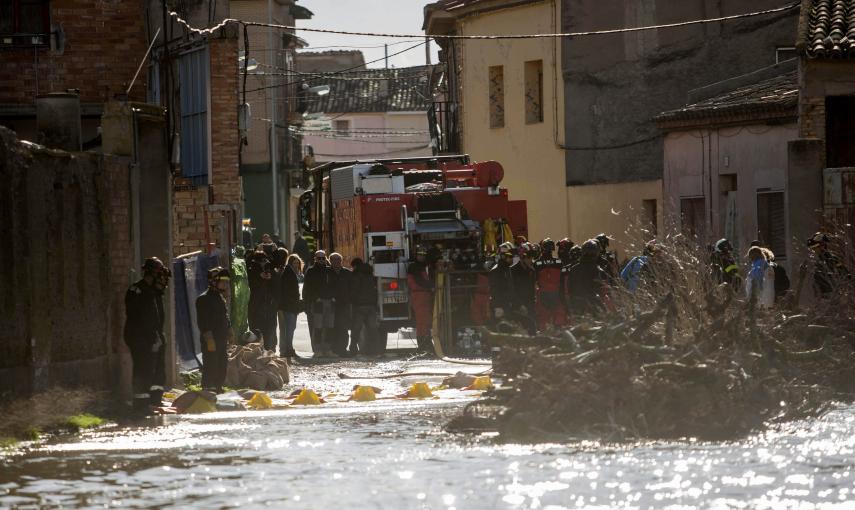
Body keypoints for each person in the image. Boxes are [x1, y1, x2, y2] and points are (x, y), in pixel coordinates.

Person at [124, 257, 171, 414]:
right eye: (159, 274)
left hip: (154, 336)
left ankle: (155, 401)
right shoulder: (137, 291)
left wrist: (158, 336)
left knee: (157, 369)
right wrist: (148, 338)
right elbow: (137, 317)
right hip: (139, 337)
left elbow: (157, 318)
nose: (162, 279)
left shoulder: (155, 292)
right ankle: (141, 404)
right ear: (151, 273)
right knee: (143, 368)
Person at [196, 267, 232, 393]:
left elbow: (224, 317)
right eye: (223, 281)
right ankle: (208, 389)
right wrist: (209, 339)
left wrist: (229, 330)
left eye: (227, 281)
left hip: (221, 340)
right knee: (211, 365)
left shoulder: (220, 298)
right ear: (213, 281)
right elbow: (203, 322)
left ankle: (218, 388)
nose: (226, 284)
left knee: (221, 366)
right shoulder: (204, 299)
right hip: (211, 340)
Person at [564, 239, 610, 317]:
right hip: (594, 307)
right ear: (596, 253)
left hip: (577, 306)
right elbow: (604, 291)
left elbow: (568, 289)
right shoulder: (599, 270)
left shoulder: (573, 269)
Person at [303, 250, 335, 357]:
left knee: (329, 326)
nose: (321, 260)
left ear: (325, 258)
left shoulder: (329, 270)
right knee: (318, 327)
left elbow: (334, 285)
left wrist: (334, 297)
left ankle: (328, 349)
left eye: (323, 258)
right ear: (315, 259)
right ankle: (317, 350)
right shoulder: (311, 271)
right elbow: (307, 287)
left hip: (330, 302)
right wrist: (315, 298)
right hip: (317, 303)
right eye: (319, 258)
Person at [350, 258, 381, 356]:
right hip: (371, 305)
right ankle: (376, 351)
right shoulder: (370, 274)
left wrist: (352, 301)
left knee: (356, 329)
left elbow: (354, 290)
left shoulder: (356, 275)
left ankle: (353, 350)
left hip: (360, 306)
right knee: (373, 329)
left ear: (355, 266)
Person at [247, 249, 278, 350]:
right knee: (257, 334)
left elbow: (276, 286)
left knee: (270, 333)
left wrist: (271, 277)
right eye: (262, 260)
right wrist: (259, 277)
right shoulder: (252, 271)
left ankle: (270, 353)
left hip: (269, 308)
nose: (265, 263)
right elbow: (252, 287)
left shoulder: (270, 271)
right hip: (256, 308)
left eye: (265, 260)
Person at [407, 246, 435, 353]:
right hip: (419, 296)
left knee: (426, 321)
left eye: (423, 255)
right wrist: (431, 286)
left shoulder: (422, 267)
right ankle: (423, 345)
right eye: (420, 255)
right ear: (416, 255)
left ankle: (425, 344)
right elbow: (419, 281)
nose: (421, 257)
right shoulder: (414, 267)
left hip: (424, 296)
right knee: (422, 322)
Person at [534, 238, 566, 330]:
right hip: (556, 293)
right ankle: (559, 333)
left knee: (543, 317)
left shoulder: (537, 263)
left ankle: (545, 335)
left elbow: (535, 280)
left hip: (543, 294)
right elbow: (563, 279)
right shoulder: (559, 262)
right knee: (557, 315)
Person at [806, 232, 850, 297]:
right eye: (813, 249)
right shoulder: (817, 261)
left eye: (816, 247)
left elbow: (846, 275)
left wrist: (839, 288)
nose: (815, 251)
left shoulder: (832, 259)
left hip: (832, 294)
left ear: (823, 246)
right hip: (821, 295)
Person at [277, 254, 303, 358]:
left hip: (289, 305)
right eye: (295, 263)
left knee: (288, 328)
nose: (296, 265)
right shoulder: (289, 273)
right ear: (291, 263)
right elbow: (287, 291)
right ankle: (289, 349)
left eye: (297, 263)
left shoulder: (289, 272)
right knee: (289, 328)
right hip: (289, 306)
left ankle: (287, 349)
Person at [328, 253, 353, 356]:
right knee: (332, 327)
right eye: (334, 260)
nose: (337, 262)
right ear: (330, 261)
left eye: (339, 260)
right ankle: (333, 349)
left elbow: (352, 288)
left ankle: (342, 349)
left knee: (343, 327)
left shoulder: (347, 273)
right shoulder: (327, 272)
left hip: (344, 305)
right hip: (331, 304)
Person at [512, 242, 538, 334]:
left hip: (530, 306)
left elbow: (532, 289)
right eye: (529, 257)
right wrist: (519, 305)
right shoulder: (512, 271)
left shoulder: (532, 271)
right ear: (522, 257)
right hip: (517, 309)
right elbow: (511, 291)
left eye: (532, 257)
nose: (531, 260)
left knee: (532, 332)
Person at [489, 242, 517, 322]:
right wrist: (497, 306)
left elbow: (510, 288)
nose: (512, 259)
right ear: (503, 256)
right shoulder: (496, 271)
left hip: (507, 305)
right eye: (510, 257)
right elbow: (494, 290)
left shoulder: (507, 269)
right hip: (500, 307)